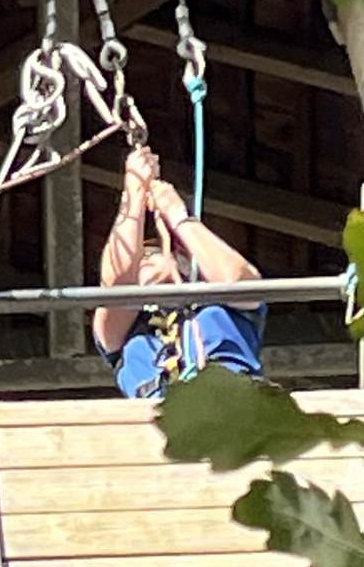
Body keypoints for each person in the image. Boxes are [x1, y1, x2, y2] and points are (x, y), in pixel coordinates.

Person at [93, 145, 265, 400]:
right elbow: (117, 285)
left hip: (231, 406)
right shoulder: (122, 331)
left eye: (149, 255)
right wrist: (133, 195)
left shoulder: (229, 306)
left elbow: (237, 279)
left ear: (182, 262)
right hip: (160, 416)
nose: (142, 265)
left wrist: (178, 216)